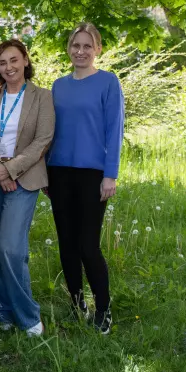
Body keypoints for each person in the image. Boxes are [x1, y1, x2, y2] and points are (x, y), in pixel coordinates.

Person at [0, 39, 55, 337]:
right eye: (2, 63)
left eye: (13, 60)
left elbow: (43, 139)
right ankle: (3, 311)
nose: (9, 67)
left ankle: (28, 316)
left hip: (24, 178)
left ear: (25, 61)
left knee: (10, 247)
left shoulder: (42, 96)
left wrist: (10, 170)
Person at [47, 23, 124, 335]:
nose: (80, 51)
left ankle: (103, 309)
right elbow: (50, 132)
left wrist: (110, 175)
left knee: (88, 245)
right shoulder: (58, 86)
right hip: (59, 172)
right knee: (66, 243)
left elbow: (114, 130)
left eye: (87, 46)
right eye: (75, 45)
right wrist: (45, 172)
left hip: (93, 174)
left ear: (98, 49)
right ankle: (76, 303)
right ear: (69, 48)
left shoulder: (108, 82)